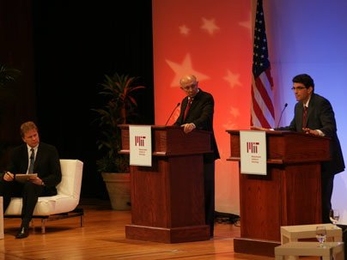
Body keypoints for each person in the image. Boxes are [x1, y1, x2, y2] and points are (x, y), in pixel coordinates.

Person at [277, 73, 345, 223]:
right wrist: (269, 130)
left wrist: (317, 132)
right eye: (293, 88)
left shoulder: (321, 103)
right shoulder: (298, 106)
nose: (295, 91)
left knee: (322, 199)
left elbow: (331, 127)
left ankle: (325, 231)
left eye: (299, 88)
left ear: (310, 89)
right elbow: (293, 128)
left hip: (325, 160)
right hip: (306, 162)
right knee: (309, 199)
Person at [173, 74, 220, 237]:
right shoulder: (185, 101)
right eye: (187, 87)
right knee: (191, 191)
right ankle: (193, 225)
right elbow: (180, 121)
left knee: (205, 190)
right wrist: (169, 131)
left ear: (197, 84)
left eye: (193, 86)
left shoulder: (206, 98)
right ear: (182, 89)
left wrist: (193, 125)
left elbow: (205, 118)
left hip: (204, 150)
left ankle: (208, 229)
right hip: (189, 154)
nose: (191, 89)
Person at [0, 121, 62, 238]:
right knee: (4, 183)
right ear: (24, 139)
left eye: (35, 135)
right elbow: (10, 170)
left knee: (31, 185)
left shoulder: (50, 150)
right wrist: (7, 175)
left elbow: (57, 176)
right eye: (30, 137)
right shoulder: (16, 152)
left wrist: (42, 181)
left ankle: (24, 226)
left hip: (41, 187)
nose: (34, 139)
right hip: (21, 186)